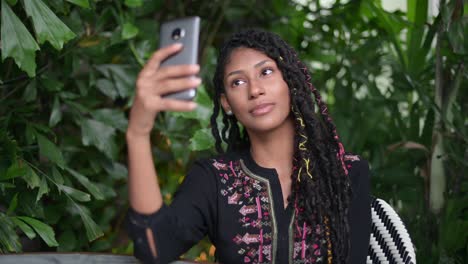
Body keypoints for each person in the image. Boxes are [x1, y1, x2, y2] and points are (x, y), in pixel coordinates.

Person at [125, 29, 371, 264]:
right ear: (227, 104)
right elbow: (153, 248)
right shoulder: (214, 180)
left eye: (265, 72)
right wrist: (137, 133)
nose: (255, 90)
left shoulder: (346, 173)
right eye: (238, 82)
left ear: (291, 80)